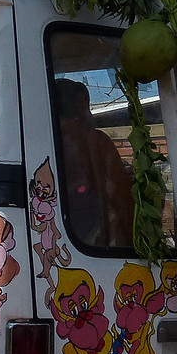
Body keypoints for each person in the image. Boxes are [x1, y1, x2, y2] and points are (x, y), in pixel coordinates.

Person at [55, 78, 135, 247]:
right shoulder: (96, 140)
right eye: (87, 106)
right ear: (80, 107)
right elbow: (120, 195)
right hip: (97, 241)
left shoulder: (41, 142)